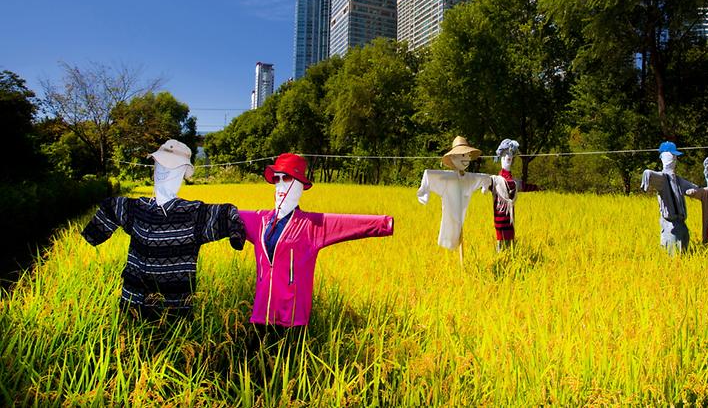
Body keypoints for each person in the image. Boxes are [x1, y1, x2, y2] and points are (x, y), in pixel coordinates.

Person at [81, 139, 245, 318]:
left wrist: (236, 235)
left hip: (172, 312)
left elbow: (228, 212)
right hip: (132, 304)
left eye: (170, 167)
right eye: (159, 165)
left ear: (183, 172)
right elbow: (110, 206)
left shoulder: (194, 214)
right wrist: (93, 234)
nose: (162, 171)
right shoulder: (135, 208)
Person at [238, 153, 393, 327]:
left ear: (300, 186)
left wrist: (384, 224)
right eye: (277, 179)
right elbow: (227, 214)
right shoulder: (261, 220)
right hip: (261, 314)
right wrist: (203, 210)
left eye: (287, 178)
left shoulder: (311, 225)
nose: (280, 186)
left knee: (291, 353)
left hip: (292, 318)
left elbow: (348, 224)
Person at [417, 136, 504, 252]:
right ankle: (448, 242)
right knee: (449, 226)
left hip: (462, 210)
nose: (467, 158)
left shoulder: (469, 178)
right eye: (463, 155)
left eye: (468, 155)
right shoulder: (447, 178)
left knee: (458, 225)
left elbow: (482, 178)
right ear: (453, 157)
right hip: (450, 209)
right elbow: (430, 175)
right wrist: (424, 193)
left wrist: (485, 186)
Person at [640, 141, 700, 255]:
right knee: (672, 253)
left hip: (682, 222)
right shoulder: (663, 179)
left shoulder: (678, 180)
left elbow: (694, 188)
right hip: (670, 224)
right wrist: (647, 175)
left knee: (684, 252)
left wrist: (693, 191)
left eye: (675, 156)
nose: (673, 159)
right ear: (663, 157)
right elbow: (651, 175)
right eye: (671, 155)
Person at [488, 139, 538, 251]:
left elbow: (523, 187)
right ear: (500, 157)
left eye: (510, 154)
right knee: (500, 242)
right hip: (500, 216)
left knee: (510, 242)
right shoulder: (495, 180)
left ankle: (510, 257)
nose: (508, 157)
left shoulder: (514, 182)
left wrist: (537, 187)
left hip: (510, 218)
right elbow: (484, 184)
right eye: (505, 154)